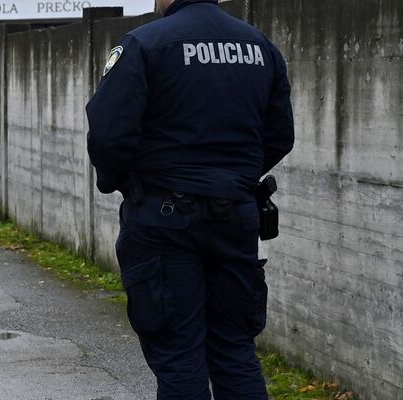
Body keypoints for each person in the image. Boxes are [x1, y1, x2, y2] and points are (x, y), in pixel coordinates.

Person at [85, 0, 294, 399]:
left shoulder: (144, 44)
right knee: (234, 350)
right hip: (235, 215)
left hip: (163, 219)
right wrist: (233, 180)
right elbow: (280, 133)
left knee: (180, 355)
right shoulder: (259, 46)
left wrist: (124, 184)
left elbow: (108, 134)